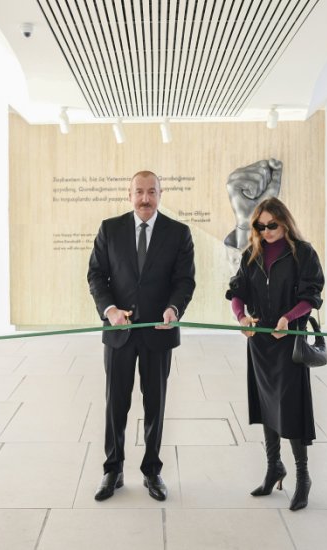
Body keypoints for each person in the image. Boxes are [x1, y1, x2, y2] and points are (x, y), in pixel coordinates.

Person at [87, 170, 196, 502]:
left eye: (151, 191)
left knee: (155, 404)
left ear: (161, 194)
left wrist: (174, 309)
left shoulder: (179, 233)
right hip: (119, 332)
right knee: (115, 404)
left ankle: (152, 471)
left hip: (159, 333)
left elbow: (185, 281)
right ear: (129, 194)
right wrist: (110, 311)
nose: (145, 198)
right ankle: (113, 469)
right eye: (139, 191)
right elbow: (96, 276)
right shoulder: (110, 229)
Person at [226, 197, 324, 511]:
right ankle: (273, 468)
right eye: (260, 226)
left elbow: (311, 296)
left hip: (289, 340)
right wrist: (241, 318)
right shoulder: (250, 255)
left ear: (284, 222)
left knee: (291, 407)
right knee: (267, 404)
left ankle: (303, 476)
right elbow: (237, 292)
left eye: (272, 225)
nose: (266, 231)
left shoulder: (303, 253)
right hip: (260, 342)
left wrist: (288, 317)